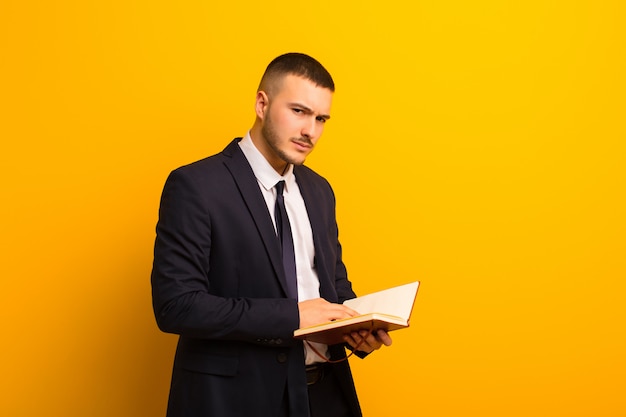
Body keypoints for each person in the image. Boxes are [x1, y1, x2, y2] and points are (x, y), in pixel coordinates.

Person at [151, 52, 392, 417]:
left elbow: (334, 286)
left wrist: (357, 327)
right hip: (236, 400)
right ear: (262, 104)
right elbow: (176, 306)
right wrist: (292, 316)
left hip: (324, 395)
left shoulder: (319, 190)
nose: (310, 131)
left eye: (321, 118)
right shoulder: (196, 186)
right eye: (299, 111)